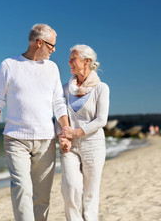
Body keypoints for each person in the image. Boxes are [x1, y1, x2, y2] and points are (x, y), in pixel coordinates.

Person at [0, 24, 70, 221]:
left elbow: (59, 102)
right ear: (39, 43)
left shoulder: (52, 68)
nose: (54, 50)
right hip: (16, 139)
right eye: (51, 45)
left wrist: (65, 130)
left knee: (42, 197)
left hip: (46, 141)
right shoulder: (9, 65)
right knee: (22, 189)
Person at [59, 44, 110, 220]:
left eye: (73, 59)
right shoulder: (65, 89)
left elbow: (101, 120)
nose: (69, 62)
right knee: (71, 186)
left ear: (86, 61)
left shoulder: (101, 88)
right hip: (69, 146)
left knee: (90, 193)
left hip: (93, 145)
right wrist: (63, 137)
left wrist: (76, 132)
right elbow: (60, 114)